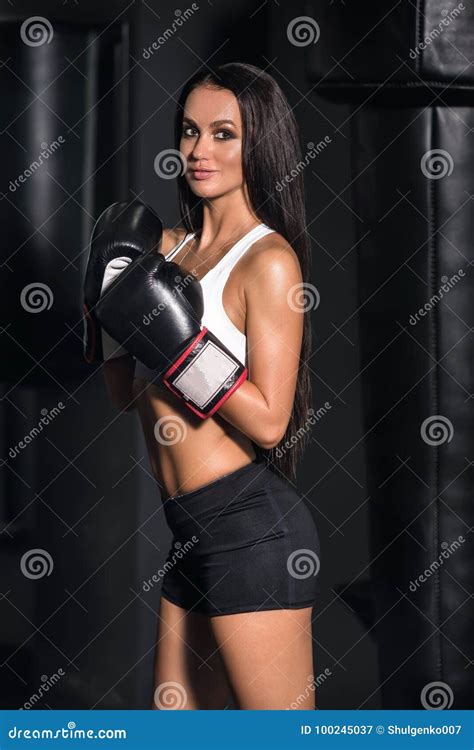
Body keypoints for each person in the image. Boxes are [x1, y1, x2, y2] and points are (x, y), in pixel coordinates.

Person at [84, 62, 320, 710]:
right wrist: (103, 314)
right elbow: (126, 397)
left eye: (224, 134)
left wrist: (183, 348)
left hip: (252, 530)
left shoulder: (269, 261)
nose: (199, 150)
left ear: (259, 144)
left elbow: (272, 421)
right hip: (188, 532)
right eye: (190, 131)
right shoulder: (167, 249)